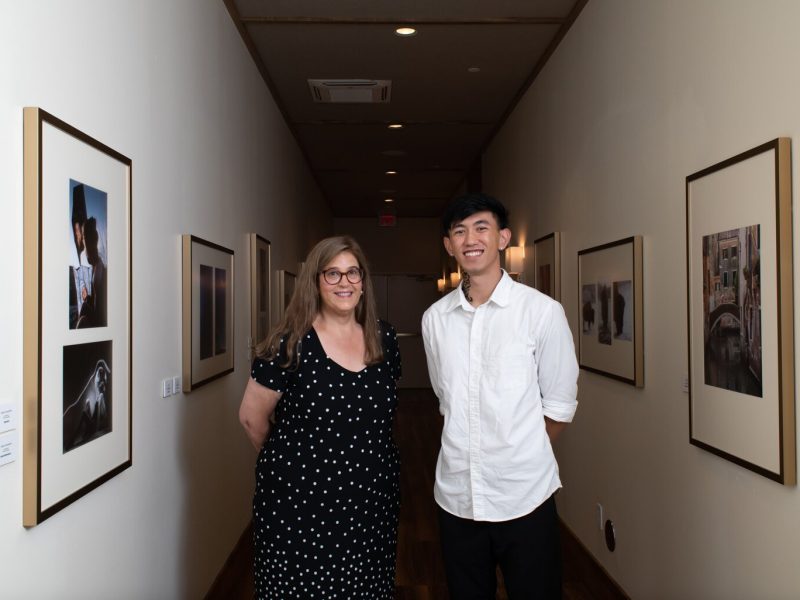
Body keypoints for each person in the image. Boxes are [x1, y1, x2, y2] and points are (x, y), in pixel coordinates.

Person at [422, 193, 578, 599]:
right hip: (457, 497)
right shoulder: (435, 320)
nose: (470, 239)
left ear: (503, 238)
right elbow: (445, 398)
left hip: (524, 497)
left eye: (481, 227)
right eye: (459, 231)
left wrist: (518, 454)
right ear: (449, 245)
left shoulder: (542, 312)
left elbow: (559, 406)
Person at [239, 235, 402, 599]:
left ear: (363, 281)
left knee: (365, 588)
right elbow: (251, 418)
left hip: (372, 501)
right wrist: (298, 464)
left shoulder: (384, 338)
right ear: (315, 281)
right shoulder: (289, 342)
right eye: (333, 273)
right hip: (302, 505)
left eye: (353, 272)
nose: (345, 282)